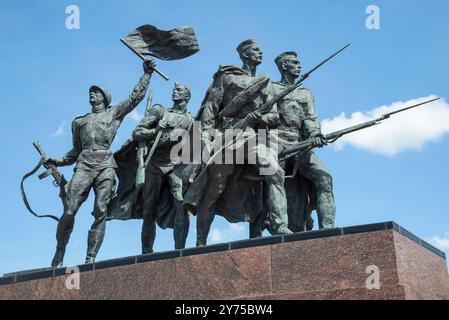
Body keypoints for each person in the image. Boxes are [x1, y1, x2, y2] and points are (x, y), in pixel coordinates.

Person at [46, 58, 155, 267]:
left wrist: (147, 75)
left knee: (100, 210)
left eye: (96, 92)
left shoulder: (113, 113)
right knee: (69, 209)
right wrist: (57, 161)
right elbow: (75, 152)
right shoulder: (79, 122)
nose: (92, 94)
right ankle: (59, 252)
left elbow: (135, 97)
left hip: (106, 164)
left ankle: (90, 257)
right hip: (84, 163)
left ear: (105, 98)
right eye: (91, 92)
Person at [184, 39, 292, 247]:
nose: (260, 52)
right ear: (244, 54)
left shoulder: (265, 82)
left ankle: (280, 225)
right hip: (229, 135)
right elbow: (211, 107)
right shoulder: (227, 77)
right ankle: (200, 241)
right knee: (216, 188)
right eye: (255, 50)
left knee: (275, 171)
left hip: (254, 136)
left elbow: (274, 117)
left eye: (260, 49)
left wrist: (259, 118)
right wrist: (206, 136)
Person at [272, 51, 335, 230]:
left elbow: (310, 118)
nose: (299, 65)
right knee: (277, 184)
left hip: (301, 145)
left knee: (325, 178)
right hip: (277, 145)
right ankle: (279, 226)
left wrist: (315, 134)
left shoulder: (306, 93)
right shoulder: (272, 89)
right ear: (284, 66)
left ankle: (328, 230)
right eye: (294, 63)